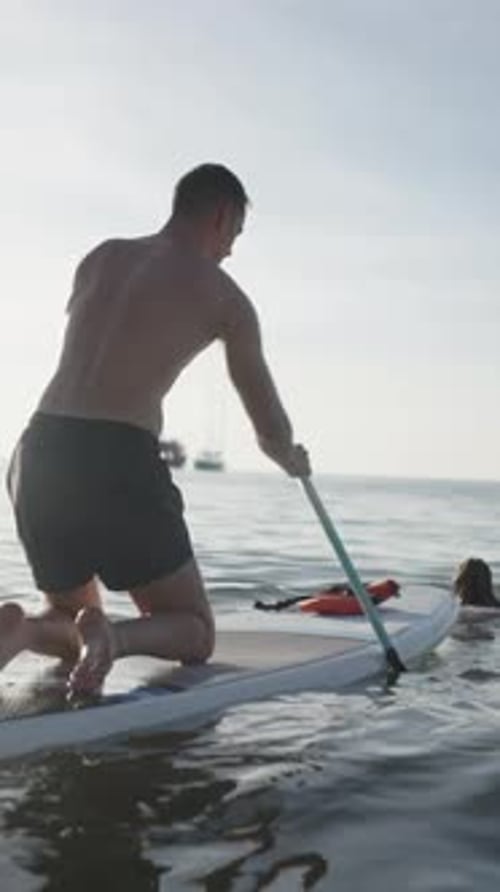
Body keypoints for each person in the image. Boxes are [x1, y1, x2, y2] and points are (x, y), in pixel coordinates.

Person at [1, 163, 311, 696]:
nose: (231, 250)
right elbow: (268, 428)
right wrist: (291, 458)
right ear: (221, 216)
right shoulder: (226, 297)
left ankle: (22, 630)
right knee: (195, 631)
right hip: (116, 456)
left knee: (68, 614)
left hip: (38, 450)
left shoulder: (101, 258)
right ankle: (113, 641)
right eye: (235, 235)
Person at [451, 557, 500, 640]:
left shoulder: (453, 609)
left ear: (460, 581)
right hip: (490, 629)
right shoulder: (496, 609)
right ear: (488, 582)